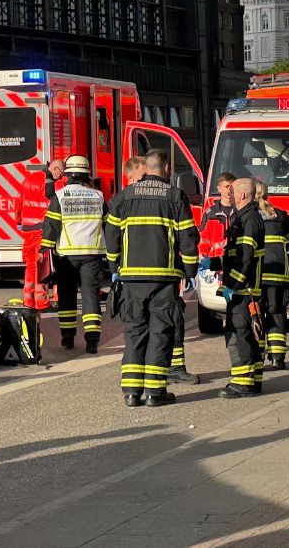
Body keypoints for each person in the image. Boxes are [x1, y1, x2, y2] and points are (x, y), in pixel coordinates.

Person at [103, 149, 198, 407]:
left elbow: (111, 235)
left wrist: (114, 266)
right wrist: (190, 270)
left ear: (145, 168)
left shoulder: (124, 196)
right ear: (165, 168)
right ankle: (155, 393)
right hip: (164, 279)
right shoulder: (175, 196)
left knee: (134, 333)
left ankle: (131, 393)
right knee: (160, 332)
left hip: (132, 278)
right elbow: (188, 237)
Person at [42, 155, 108, 354]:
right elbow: (108, 224)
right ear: (87, 175)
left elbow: (51, 226)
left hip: (66, 256)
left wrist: (44, 249)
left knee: (67, 295)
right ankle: (92, 340)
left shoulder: (60, 196)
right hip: (92, 254)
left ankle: (68, 337)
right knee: (91, 295)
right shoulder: (98, 196)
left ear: (68, 175)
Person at [212, 178, 266, 398]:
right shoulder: (246, 217)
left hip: (244, 290)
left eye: (232, 191)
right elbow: (235, 256)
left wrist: (231, 285)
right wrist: (213, 263)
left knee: (239, 334)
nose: (229, 195)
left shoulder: (248, 220)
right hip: (247, 288)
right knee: (250, 335)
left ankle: (242, 383)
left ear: (242, 195)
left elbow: (245, 258)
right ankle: (253, 380)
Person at [254, 180, 289, 371]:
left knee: (257, 314)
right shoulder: (281, 216)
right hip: (280, 274)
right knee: (277, 313)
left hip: (259, 273)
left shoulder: (250, 217)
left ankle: (258, 357)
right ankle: (278, 358)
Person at [18, 168, 52, 311]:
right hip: (40, 229)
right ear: (55, 169)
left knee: (31, 266)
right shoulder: (48, 182)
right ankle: (42, 301)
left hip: (27, 229)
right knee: (41, 265)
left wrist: (19, 220)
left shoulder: (28, 179)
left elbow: (19, 201)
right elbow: (51, 205)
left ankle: (28, 300)